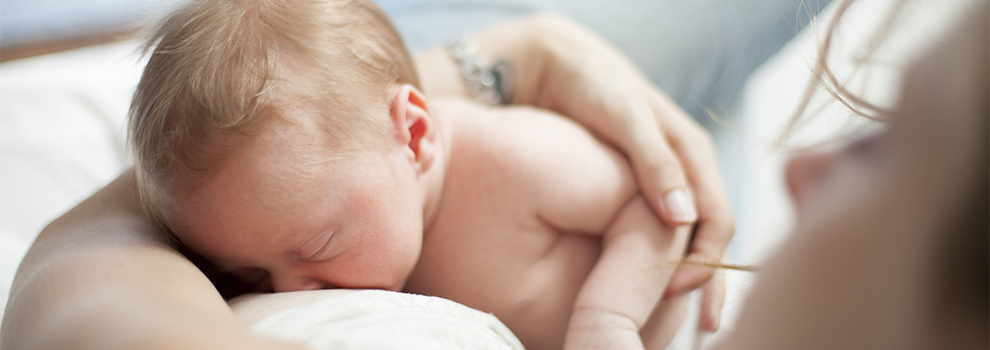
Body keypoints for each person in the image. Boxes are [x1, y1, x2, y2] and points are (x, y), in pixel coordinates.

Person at [0, 1, 735, 350]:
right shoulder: (310, 201)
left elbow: (659, 207)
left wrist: (604, 317)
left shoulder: (520, 159)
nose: (289, 290)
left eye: (317, 246)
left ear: (414, 134)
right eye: (250, 276)